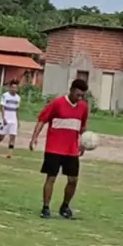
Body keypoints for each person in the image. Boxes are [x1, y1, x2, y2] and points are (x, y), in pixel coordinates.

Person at [29, 78, 89, 219]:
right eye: (77, 95)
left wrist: (83, 143)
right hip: (54, 149)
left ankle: (65, 206)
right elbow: (42, 120)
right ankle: (45, 208)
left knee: (73, 180)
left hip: (71, 150)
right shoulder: (57, 103)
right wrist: (34, 138)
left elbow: (83, 126)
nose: (79, 98)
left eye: (82, 96)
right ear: (71, 90)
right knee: (51, 178)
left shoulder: (83, 107)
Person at [0, 80, 21, 158]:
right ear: (10, 88)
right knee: (1, 136)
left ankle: (9, 154)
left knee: (13, 136)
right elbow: (2, 107)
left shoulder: (18, 98)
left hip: (13, 118)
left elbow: (17, 110)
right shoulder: (5, 95)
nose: (14, 89)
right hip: (5, 118)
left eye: (16, 88)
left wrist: (18, 120)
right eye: (13, 87)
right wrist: (4, 118)